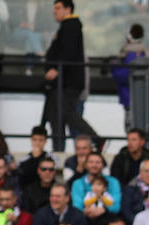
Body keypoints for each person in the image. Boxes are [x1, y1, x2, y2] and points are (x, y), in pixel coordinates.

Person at [43, 0, 102, 150]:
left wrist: (57, 69)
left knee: (67, 114)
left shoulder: (71, 26)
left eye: (58, 8)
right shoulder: (67, 26)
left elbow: (68, 52)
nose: (54, 11)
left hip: (67, 82)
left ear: (67, 9)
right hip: (62, 82)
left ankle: (96, 139)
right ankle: (58, 148)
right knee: (57, 117)